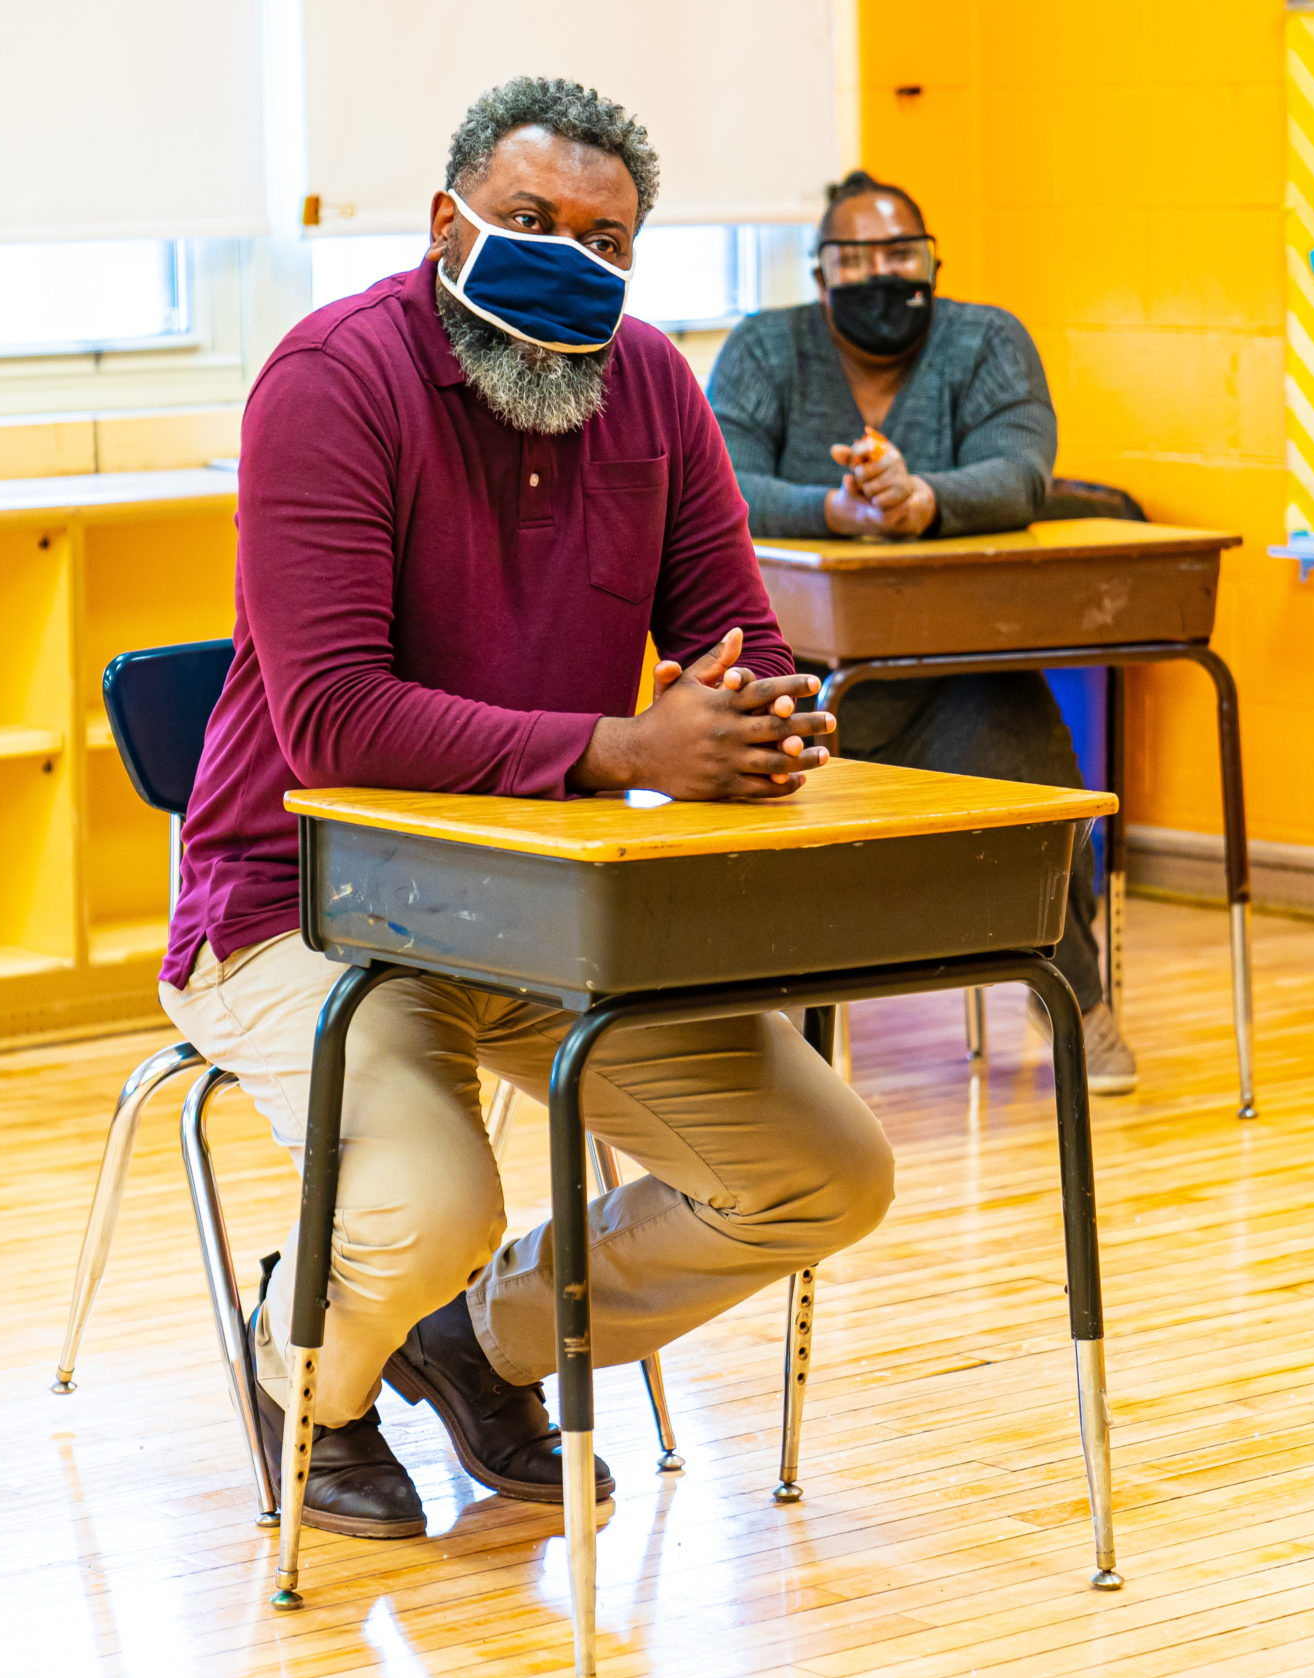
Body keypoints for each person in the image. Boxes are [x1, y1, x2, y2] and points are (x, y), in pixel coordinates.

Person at [158, 79, 894, 1540]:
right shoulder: (331, 382)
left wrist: (767, 713)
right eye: (530, 223)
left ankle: (478, 1337)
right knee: (436, 1197)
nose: (572, 258)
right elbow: (337, 721)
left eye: (606, 240)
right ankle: (305, 1375)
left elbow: (736, 637)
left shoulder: (655, 391)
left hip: (546, 907)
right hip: (299, 900)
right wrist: (629, 739)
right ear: (447, 226)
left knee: (823, 1174)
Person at [706, 170, 1135, 1094]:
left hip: (957, 670)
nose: (879, 275)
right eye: (855, 259)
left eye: (900, 255)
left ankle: (1077, 998)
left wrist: (922, 499)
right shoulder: (762, 348)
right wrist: (839, 508)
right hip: (802, 677)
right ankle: (759, 1040)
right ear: (820, 274)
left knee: (1035, 781)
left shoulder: (988, 341)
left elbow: (1022, 472)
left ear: (932, 263)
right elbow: (724, 485)